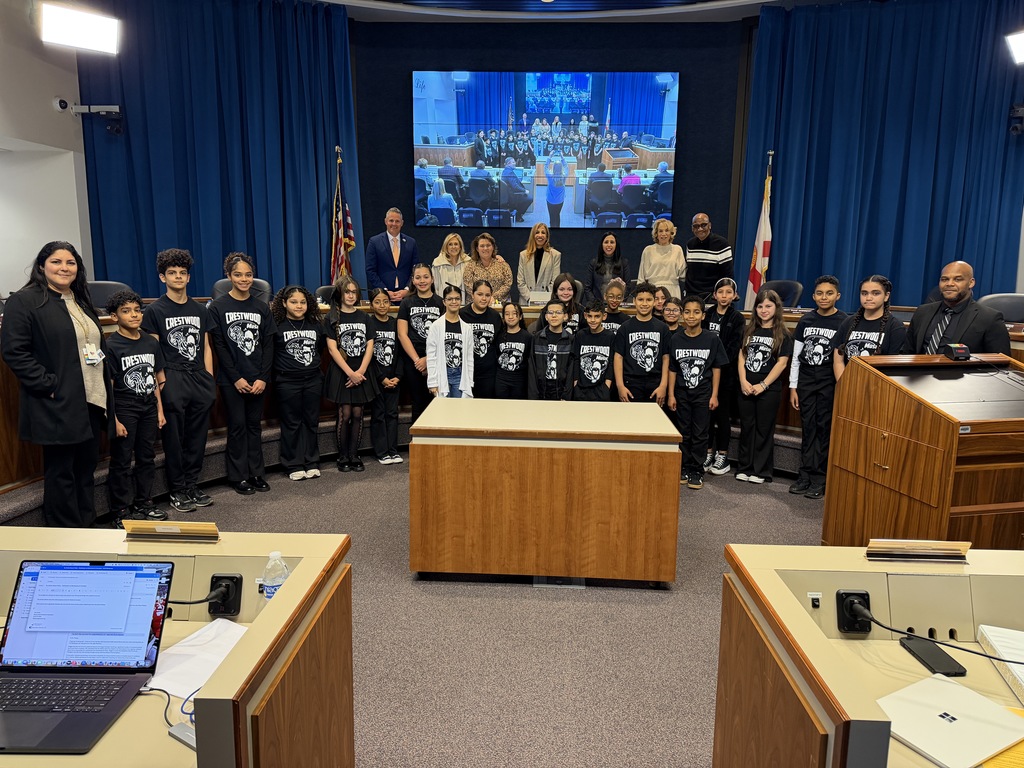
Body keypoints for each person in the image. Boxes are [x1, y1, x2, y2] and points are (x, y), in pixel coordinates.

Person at [1, 242, 113, 527]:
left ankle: (87, 525)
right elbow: (14, 351)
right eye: (56, 262)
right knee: (62, 471)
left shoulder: (80, 299)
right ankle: (66, 533)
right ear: (42, 266)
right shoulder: (25, 301)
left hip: (90, 398)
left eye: (70, 262)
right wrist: (48, 384)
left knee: (86, 468)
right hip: (57, 401)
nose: (64, 268)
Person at [140, 248, 216, 513]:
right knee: (175, 439)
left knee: (197, 438)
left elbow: (206, 346)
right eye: (171, 273)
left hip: (198, 377)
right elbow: (153, 351)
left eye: (182, 273)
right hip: (171, 377)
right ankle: (178, 489)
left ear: (188, 277)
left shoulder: (200, 309)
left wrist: (209, 379)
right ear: (163, 277)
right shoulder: (154, 310)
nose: (178, 277)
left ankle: (192, 484)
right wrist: (160, 385)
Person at [208, 252, 276, 495]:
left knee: (254, 426)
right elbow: (220, 347)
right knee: (237, 427)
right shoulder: (217, 307)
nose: (244, 279)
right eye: (238, 274)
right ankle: (239, 476)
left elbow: (268, 345)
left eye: (248, 274)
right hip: (231, 380)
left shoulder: (261, 307)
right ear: (228, 276)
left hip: (257, 377)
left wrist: (262, 378)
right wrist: (236, 378)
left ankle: (256, 472)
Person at [104, 290, 168, 525]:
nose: (134, 315)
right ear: (114, 317)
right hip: (125, 408)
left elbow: (155, 379)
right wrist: (115, 419)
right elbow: (109, 388)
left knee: (146, 457)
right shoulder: (111, 345)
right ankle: (120, 510)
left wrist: (160, 410)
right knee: (121, 460)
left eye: (137, 310)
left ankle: (144, 502)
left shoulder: (150, 341)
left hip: (148, 407)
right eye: (126, 311)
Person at [788, 276, 846, 499]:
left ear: (837, 296)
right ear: (813, 296)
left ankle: (819, 479)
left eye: (829, 293)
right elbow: (796, 356)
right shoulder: (806, 321)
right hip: (805, 381)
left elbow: (842, 357)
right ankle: (804, 475)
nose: (824, 297)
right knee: (808, 427)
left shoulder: (843, 322)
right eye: (820, 293)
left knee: (824, 429)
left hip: (828, 381)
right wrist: (793, 386)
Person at [668, 296, 728, 490]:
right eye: (687, 312)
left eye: (696, 312)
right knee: (684, 430)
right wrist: (671, 394)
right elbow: (672, 369)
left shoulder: (711, 338)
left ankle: (697, 469)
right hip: (681, 393)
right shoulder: (676, 338)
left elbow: (717, 368)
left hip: (703, 393)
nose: (691, 316)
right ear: (682, 314)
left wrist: (714, 395)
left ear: (703, 315)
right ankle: (684, 467)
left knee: (701, 432)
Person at [736, 288, 793, 484]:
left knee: (763, 429)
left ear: (776, 308)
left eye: (768, 306)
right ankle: (744, 467)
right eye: (760, 306)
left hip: (768, 389)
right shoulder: (748, 330)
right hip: (746, 387)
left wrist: (763, 384)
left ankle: (760, 470)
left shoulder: (783, 334)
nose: (763, 310)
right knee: (747, 427)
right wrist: (743, 380)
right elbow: (742, 356)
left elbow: (782, 363)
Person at [270, 285, 325, 482]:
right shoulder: (276, 325)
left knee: (311, 421)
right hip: (287, 381)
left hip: (312, 380)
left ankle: (311, 461)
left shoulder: (315, 324)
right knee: (291, 423)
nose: (299, 306)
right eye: (293, 302)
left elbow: (320, 348)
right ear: (284, 303)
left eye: (303, 302)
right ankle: (292, 464)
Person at [323, 276, 377, 472]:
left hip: (362, 372)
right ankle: (343, 456)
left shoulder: (365, 318)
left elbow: (370, 345)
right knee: (345, 414)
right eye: (347, 291)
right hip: (342, 373)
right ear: (340, 294)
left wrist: (360, 371)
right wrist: (350, 373)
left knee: (357, 414)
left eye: (354, 292)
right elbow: (332, 349)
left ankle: (355, 454)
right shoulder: (332, 318)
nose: (351, 295)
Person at [904, 261, 1011, 355]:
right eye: (944, 279)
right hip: (918, 375)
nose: (949, 284)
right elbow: (907, 353)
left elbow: (1000, 364)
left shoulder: (990, 318)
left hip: (963, 377)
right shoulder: (922, 312)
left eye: (958, 279)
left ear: (971, 282)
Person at [702, 277, 745, 477]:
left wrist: (717, 363)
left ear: (734, 295)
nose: (724, 296)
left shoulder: (737, 318)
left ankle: (722, 455)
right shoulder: (707, 314)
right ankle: (708, 452)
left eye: (728, 292)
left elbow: (734, 346)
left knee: (722, 415)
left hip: (726, 375)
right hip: (705, 373)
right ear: (715, 294)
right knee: (707, 416)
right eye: (721, 292)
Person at [834, 275, 908, 380]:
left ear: (886, 296)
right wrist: (844, 385)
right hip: (848, 385)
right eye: (864, 293)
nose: (868, 298)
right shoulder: (848, 322)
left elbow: (894, 367)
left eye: (875, 293)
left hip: (879, 387)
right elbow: (838, 360)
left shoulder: (895, 327)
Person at [397, 263, 443, 423]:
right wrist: (418, 361)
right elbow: (402, 334)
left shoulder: (441, 303)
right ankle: (417, 444)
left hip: (436, 358)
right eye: (418, 277)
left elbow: (445, 335)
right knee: (417, 403)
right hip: (413, 360)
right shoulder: (406, 303)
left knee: (436, 402)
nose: (422, 280)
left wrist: (429, 360)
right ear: (413, 280)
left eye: (425, 277)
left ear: (432, 279)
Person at [613, 282, 670, 406]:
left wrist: (663, 386)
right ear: (634, 301)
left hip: (655, 382)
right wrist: (620, 386)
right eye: (640, 300)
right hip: (631, 382)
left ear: (655, 301)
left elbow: (666, 358)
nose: (644, 304)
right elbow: (618, 357)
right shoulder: (625, 327)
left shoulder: (662, 328)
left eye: (649, 300)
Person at [367, 289, 404, 466]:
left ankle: (393, 450)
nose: (382, 306)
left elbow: (400, 353)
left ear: (390, 303)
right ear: (371, 304)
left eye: (385, 302)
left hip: (393, 377)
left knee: (392, 413)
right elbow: (369, 357)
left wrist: (397, 376)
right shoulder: (369, 323)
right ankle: (381, 451)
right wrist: (381, 377)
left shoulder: (395, 323)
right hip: (377, 378)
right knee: (379, 414)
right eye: (377, 302)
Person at [426, 285, 474, 398]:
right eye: (450, 299)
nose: (454, 302)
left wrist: (470, 381)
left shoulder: (467, 328)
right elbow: (431, 356)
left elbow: (469, 357)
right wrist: (432, 382)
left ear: (461, 301)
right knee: (443, 411)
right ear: (444, 302)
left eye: (457, 299)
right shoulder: (436, 326)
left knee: (460, 411)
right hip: (443, 373)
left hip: (460, 375)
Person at [364, 208, 418, 302]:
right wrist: (384, 291)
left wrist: (407, 290)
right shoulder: (374, 242)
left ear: (402, 223)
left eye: (397, 221)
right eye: (391, 221)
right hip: (381, 296)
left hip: (406, 297)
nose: (394, 224)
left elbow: (415, 270)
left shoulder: (411, 242)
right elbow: (370, 270)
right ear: (385, 221)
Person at [460, 279, 502, 399]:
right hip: (466, 372)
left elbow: (498, 344)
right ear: (472, 295)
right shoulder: (462, 315)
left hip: (488, 372)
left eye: (487, 295)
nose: (484, 298)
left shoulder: (495, 316)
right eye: (480, 294)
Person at [528, 300, 573, 400]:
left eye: (558, 312)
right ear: (546, 317)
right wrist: (533, 396)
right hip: (541, 391)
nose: (554, 315)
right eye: (550, 312)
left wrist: (567, 396)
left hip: (561, 392)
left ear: (565, 316)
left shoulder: (570, 340)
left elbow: (571, 372)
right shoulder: (537, 338)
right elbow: (532, 368)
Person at [571, 300, 616, 401]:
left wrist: (607, 385)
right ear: (585, 315)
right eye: (590, 316)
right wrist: (576, 382)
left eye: (597, 316)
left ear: (604, 316)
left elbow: (611, 362)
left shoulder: (610, 336)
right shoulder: (580, 335)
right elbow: (576, 359)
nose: (593, 320)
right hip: (581, 388)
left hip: (601, 388)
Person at [684, 213, 735, 300]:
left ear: (710, 225)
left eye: (703, 225)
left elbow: (727, 275)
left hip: (712, 296)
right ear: (692, 228)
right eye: (696, 226)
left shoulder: (722, 244)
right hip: (691, 295)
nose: (700, 229)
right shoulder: (690, 244)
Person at [638, 218, 686, 299]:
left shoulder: (677, 249)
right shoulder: (648, 250)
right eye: (660, 231)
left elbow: (683, 275)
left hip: (673, 290)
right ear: (656, 233)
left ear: (671, 233)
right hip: (653, 290)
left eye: (666, 230)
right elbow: (641, 278)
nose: (664, 234)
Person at [495, 302, 532, 399]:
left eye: (514, 313)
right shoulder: (499, 336)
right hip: (501, 380)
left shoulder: (527, 337)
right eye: (507, 314)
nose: (510, 317)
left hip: (520, 380)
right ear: (503, 317)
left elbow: (528, 359)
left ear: (520, 316)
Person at [463, 232, 514, 303]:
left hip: (499, 304)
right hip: (475, 305)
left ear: (493, 247)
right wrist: (483, 298)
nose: (485, 248)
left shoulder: (502, 264)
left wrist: (493, 297)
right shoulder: (470, 266)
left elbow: (508, 283)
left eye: (488, 245)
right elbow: (468, 285)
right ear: (477, 249)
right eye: (482, 246)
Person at [516, 223, 561, 301]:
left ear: (547, 236)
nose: (540, 235)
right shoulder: (523, 255)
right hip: (526, 300)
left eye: (543, 233)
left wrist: (542, 298)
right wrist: (530, 299)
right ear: (533, 235)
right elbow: (520, 281)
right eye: (537, 232)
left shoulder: (555, 255)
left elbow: (555, 281)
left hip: (547, 300)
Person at [585, 231, 632, 302]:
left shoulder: (624, 263)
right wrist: (595, 304)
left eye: (612, 242)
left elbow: (628, 287)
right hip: (598, 305)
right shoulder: (594, 263)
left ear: (616, 245)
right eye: (606, 242)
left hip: (617, 304)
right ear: (602, 245)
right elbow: (588, 288)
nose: (609, 245)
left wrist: (618, 301)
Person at [432, 233, 473, 302]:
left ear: (460, 247)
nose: (453, 247)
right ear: (446, 247)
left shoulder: (468, 262)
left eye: (456, 244)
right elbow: (435, 287)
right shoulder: (438, 263)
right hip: (444, 305)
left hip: (463, 305)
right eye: (450, 244)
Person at [501, 157, 534, 222]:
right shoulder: (509, 173)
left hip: (509, 194)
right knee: (529, 199)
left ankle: (515, 212)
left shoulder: (505, 171)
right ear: (508, 164)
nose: (515, 163)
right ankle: (518, 215)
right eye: (513, 162)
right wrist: (524, 191)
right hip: (513, 195)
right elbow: (515, 186)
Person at [545, 152, 568, 228]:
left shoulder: (550, 176)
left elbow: (546, 167)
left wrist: (550, 156)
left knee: (551, 216)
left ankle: (552, 229)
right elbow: (566, 166)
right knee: (557, 215)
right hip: (560, 201)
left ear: (553, 167)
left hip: (550, 200)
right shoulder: (564, 176)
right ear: (561, 168)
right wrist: (562, 156)